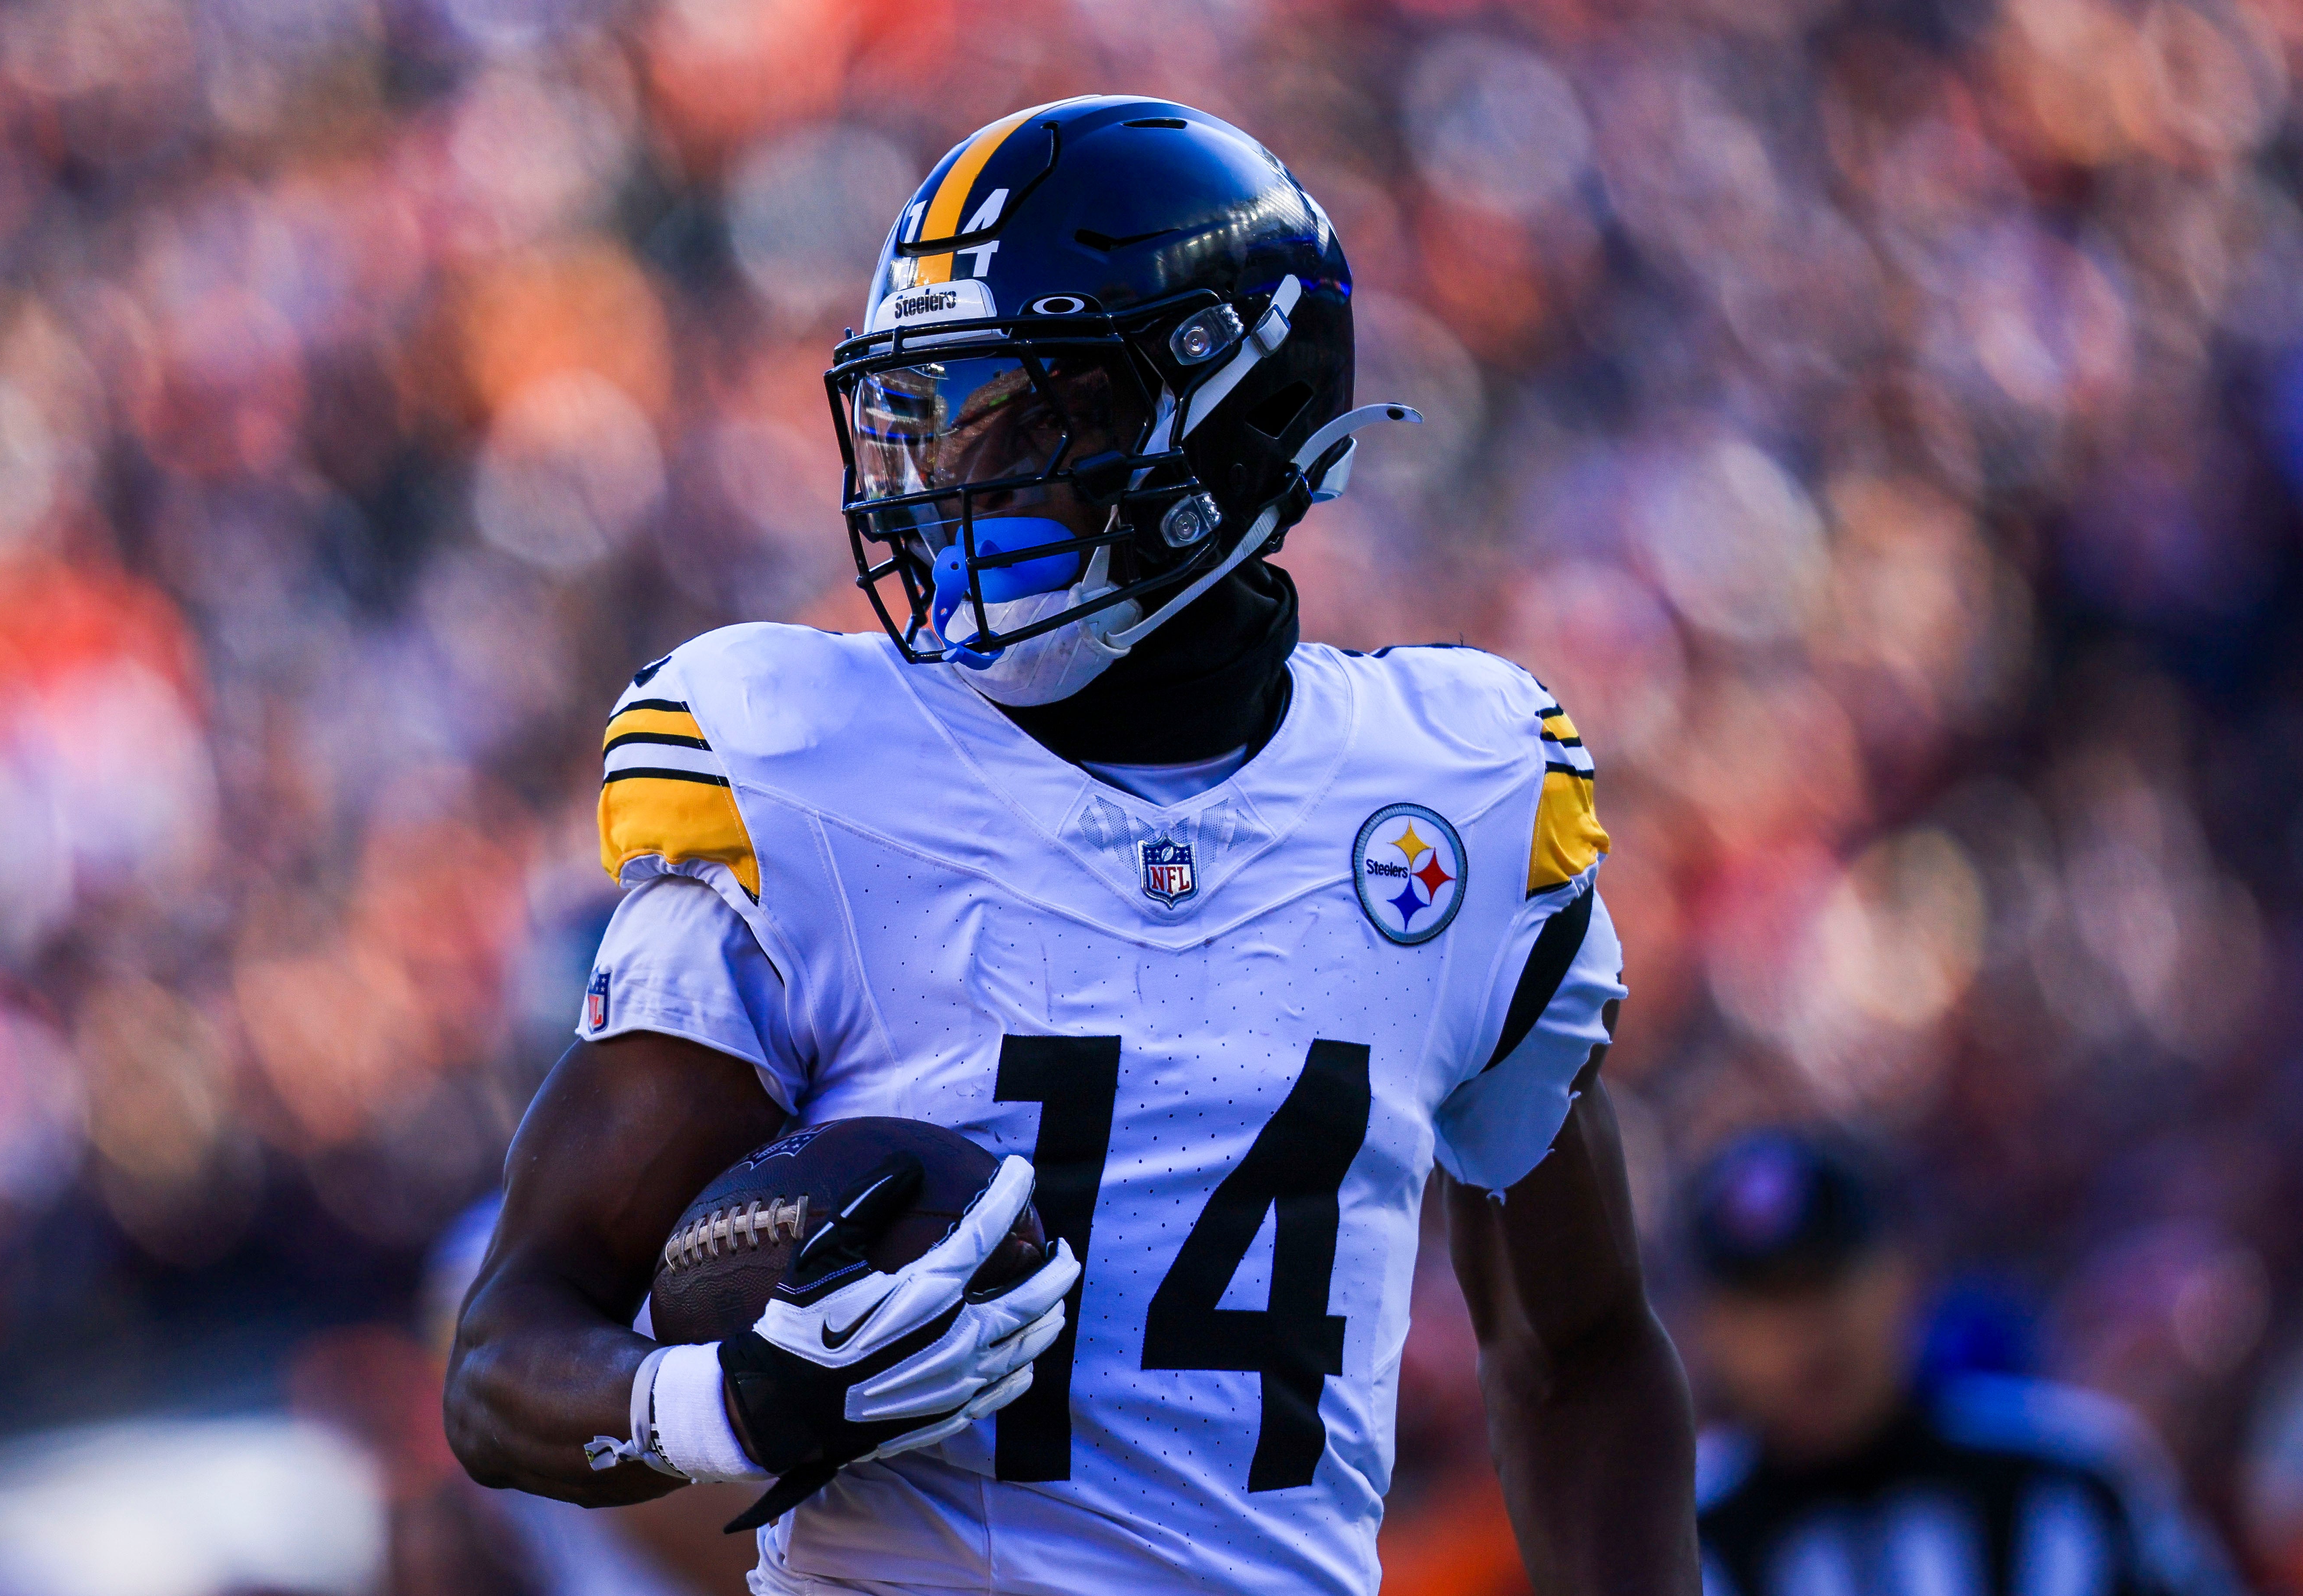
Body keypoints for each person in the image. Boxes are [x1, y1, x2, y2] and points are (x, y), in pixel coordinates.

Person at [445, 95, 1700, 1596]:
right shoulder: (807, 765)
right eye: (928, 419)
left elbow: (1580, 1350)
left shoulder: (1458, 795)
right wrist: (732, 1400)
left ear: (1229, 415)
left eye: (1029, 418)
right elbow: (508, 1348)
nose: (944, 491)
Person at [1686, 1129, 2243, 1596]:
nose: (1803, 1329)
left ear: (1903, 1273)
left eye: (1824, 1281)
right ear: (1711, 1330)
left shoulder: (2072, 1476)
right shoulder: (1683, 1536)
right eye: (1765, 1302)